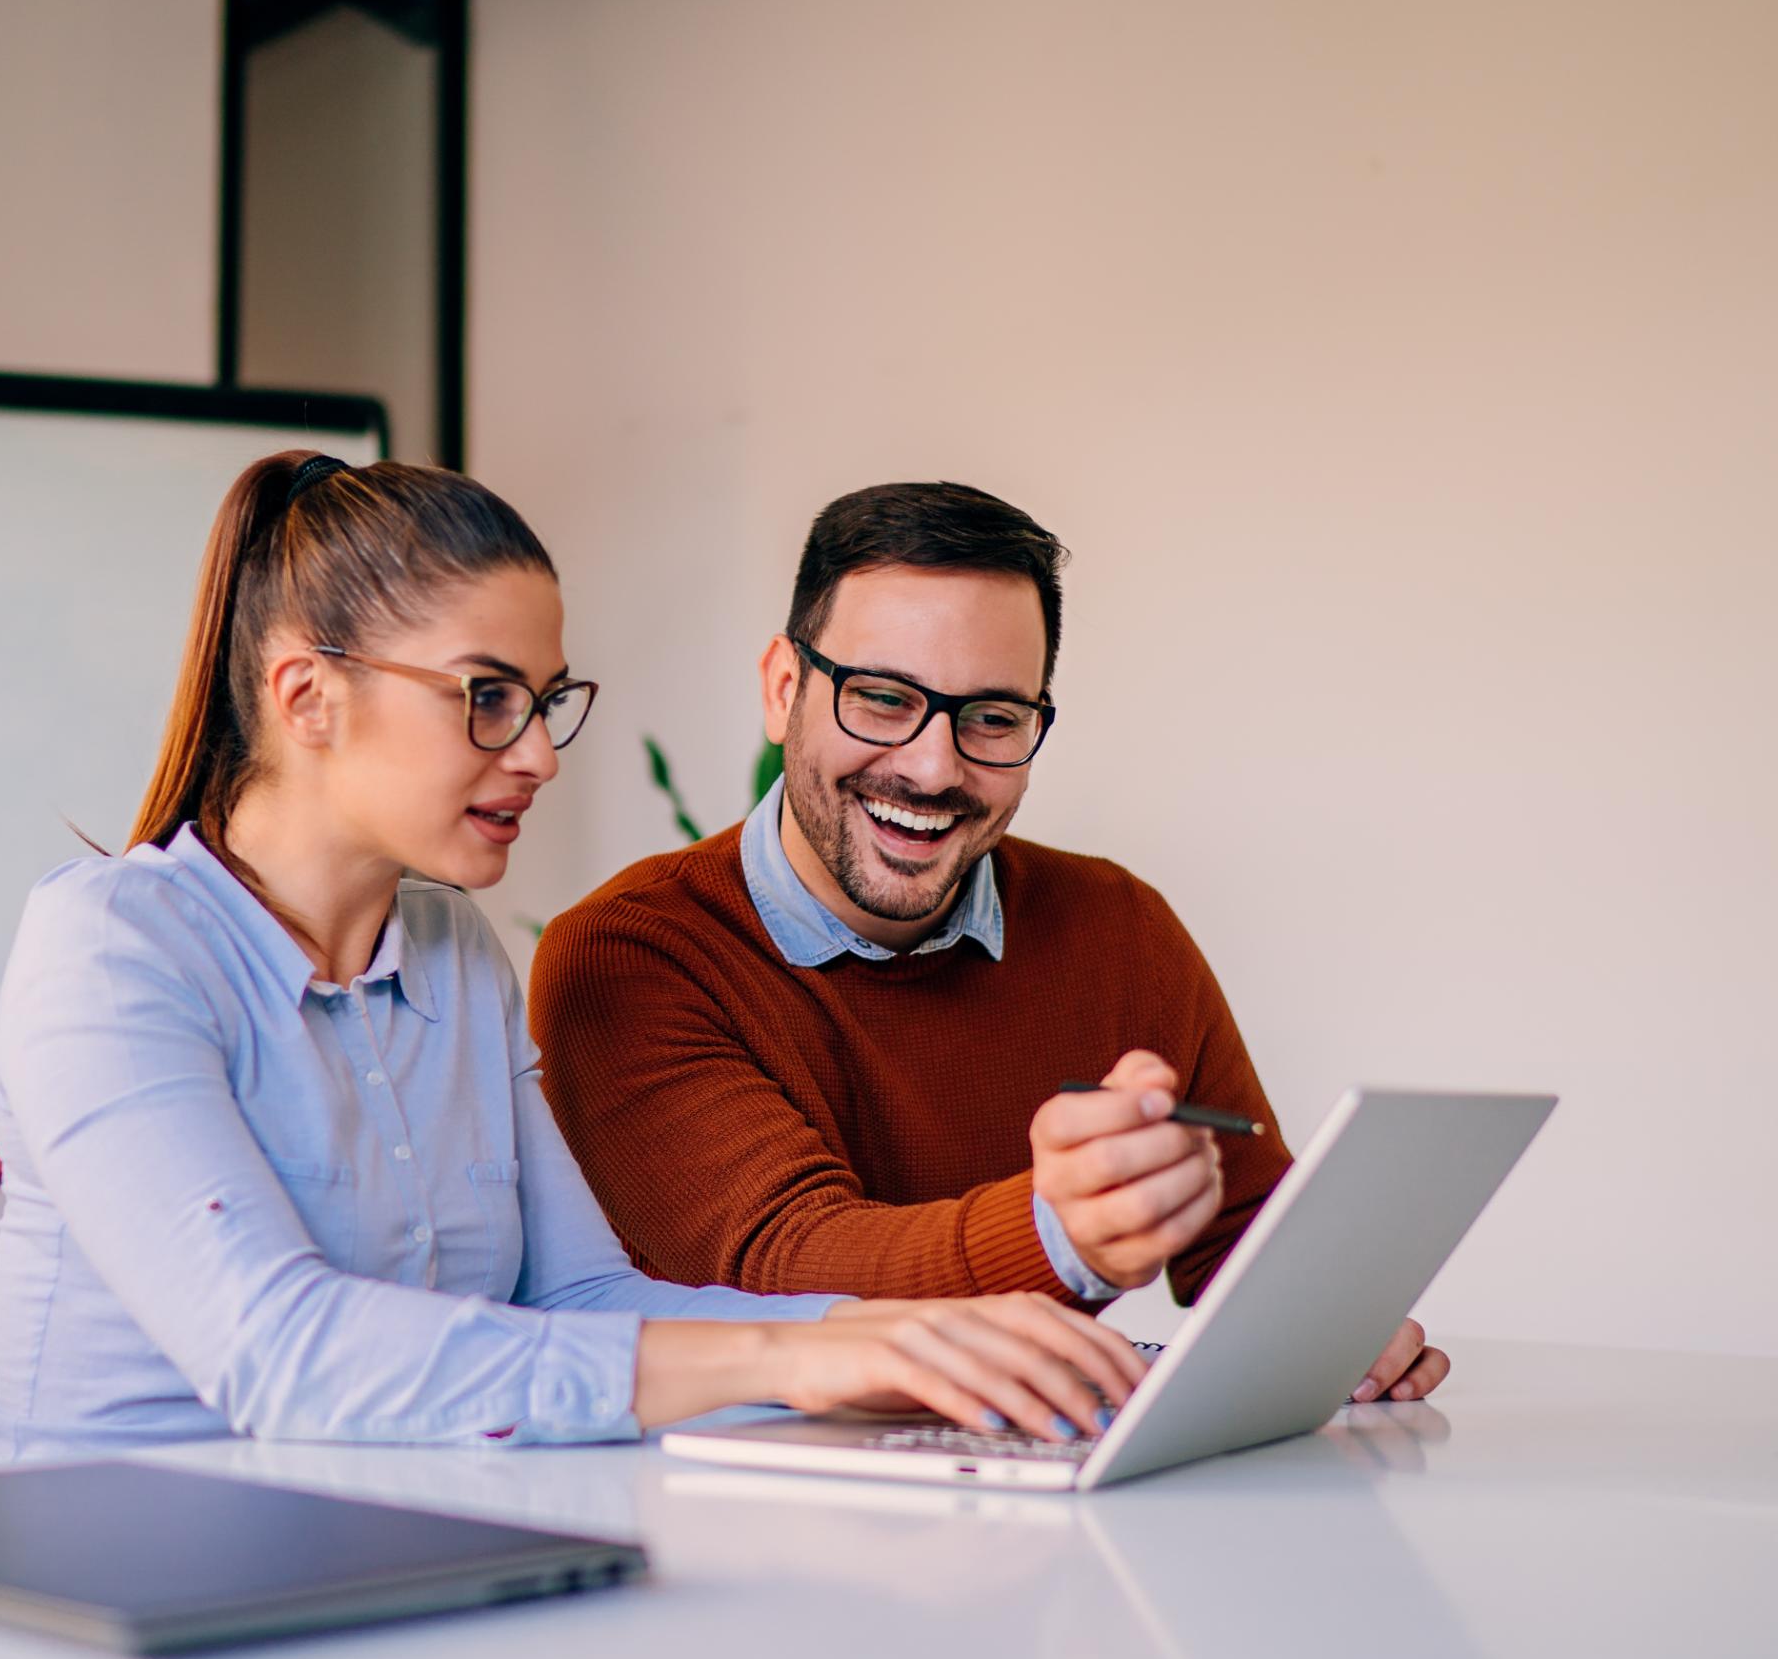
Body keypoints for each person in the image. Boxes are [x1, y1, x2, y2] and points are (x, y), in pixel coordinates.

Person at [0, 455, 1149, 1464]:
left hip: (385, 1557)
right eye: (487, 697)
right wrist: (810, 1347)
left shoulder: (447, 954)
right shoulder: (109, 950)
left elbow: (582, 1295)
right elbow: (281, 1352)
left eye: (545, 700)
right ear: (305, 696)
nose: (537, 753)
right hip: (112, 1596)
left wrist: (908, 1343)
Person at [529, 482, 1447, 1405]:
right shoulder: (629, 958)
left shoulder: (1120, 928)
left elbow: (1239, 1228)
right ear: (783, 688)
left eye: (994, 718)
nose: (933, 766)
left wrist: (1328, 1319)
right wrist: (1058, 1234)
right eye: (883, 698)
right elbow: (786, 1266)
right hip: (759, 1509)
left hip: (1051, 1507)